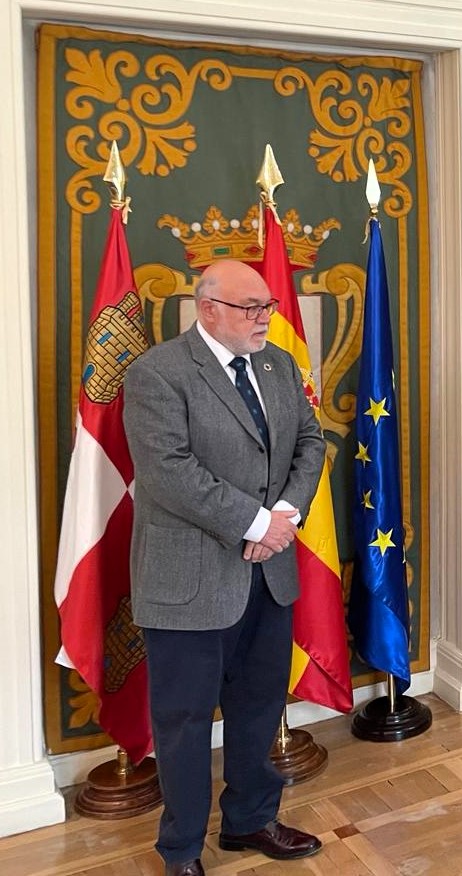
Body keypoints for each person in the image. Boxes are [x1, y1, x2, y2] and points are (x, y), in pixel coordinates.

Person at [122, 260, 326, 876]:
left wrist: (283, 515)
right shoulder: (158, 372)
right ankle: (182, 849)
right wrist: (256, 524)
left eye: (268, 306)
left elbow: (310, 442)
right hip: (189, 581)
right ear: (207, 308)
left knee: (259, 705)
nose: (265, 318)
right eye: (250, 308)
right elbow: (169, 472)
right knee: (184, 721)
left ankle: (250, 820)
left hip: (269, 573)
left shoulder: (278, 364)